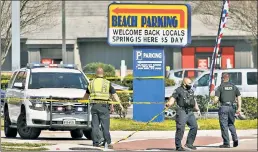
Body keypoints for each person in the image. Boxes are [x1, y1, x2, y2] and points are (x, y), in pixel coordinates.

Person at [83, 67, 124, 148]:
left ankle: (95, 142)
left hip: (94, 106)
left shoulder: (91, 83)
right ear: (103, 74)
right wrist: (120, 105)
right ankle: (107, 142)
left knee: (95, 126)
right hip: (103, 106)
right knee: (105, 126)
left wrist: (82, 102)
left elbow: (86, 96)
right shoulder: (107, 83)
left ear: (96, 73)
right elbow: (114, 95)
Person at [166, 78, 201, 151]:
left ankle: (189, 144)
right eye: (189, 84)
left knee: (194, 126)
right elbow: (173, 98)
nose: (190, 85)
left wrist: (197, 109)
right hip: (182, 111)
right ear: (184, 84)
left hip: (190, 112)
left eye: (191, 83)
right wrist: (169, 103)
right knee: (180, 128)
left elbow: (193, 100)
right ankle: (178, 146)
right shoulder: (178, 90)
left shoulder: (191, 90)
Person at [213, 73, 241, 148]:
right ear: (228, 78)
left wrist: (213, 101)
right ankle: (235, 139)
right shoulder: (234, 86)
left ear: (222, 78)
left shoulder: (220, 87)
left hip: (224, 107)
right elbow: (239, 97)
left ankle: (226, 143)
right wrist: (239, 108)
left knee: (224, 125)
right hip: (232, 108)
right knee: (231, 124)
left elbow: (216, 100)